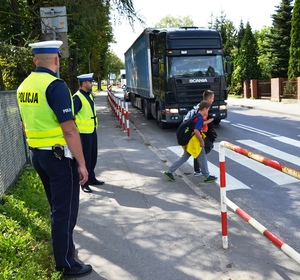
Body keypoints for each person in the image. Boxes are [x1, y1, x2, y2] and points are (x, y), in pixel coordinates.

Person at [17, 40, 92, 278]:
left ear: (34, 60)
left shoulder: (24, 86)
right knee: (65, 211)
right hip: (59, 158)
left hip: (37, 155)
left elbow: (23, 123)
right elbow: (69, 130)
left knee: (57, 208)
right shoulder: (55, 86)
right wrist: (82, 164)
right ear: (56, 60)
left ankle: (66, 251)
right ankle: (66, 263)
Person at [164, 100, 217, 183]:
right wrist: (201, 141)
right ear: (205, 109)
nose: (208, 111)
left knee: (184, 157)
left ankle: (169, 171)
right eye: (208, 109)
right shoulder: (199, 118)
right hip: (195, 142)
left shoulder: (196, 116)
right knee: (202, 157)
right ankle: (207, 176)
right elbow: (196, 130)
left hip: (190, 142)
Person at [73, 73, 104, 193]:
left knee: (92, 157)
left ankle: (91, 178)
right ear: (84, 83)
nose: (92, 84)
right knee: (85, 159)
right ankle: (84, 183)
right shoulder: (77, 97)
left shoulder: (88, 95)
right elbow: (72, 116)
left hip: (91, 131)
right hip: (83, 134)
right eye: (90, 82)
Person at [184, 90, 216, 176]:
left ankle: (199, 170)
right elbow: (199, 122)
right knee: (206, 147)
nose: (213, 100)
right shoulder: (203, 108)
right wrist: (209, 121)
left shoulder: (202, 105)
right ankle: (199, 170)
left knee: (202, 149)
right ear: (209, 98)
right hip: (200, 132)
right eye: (212, 98)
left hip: (202, 132)